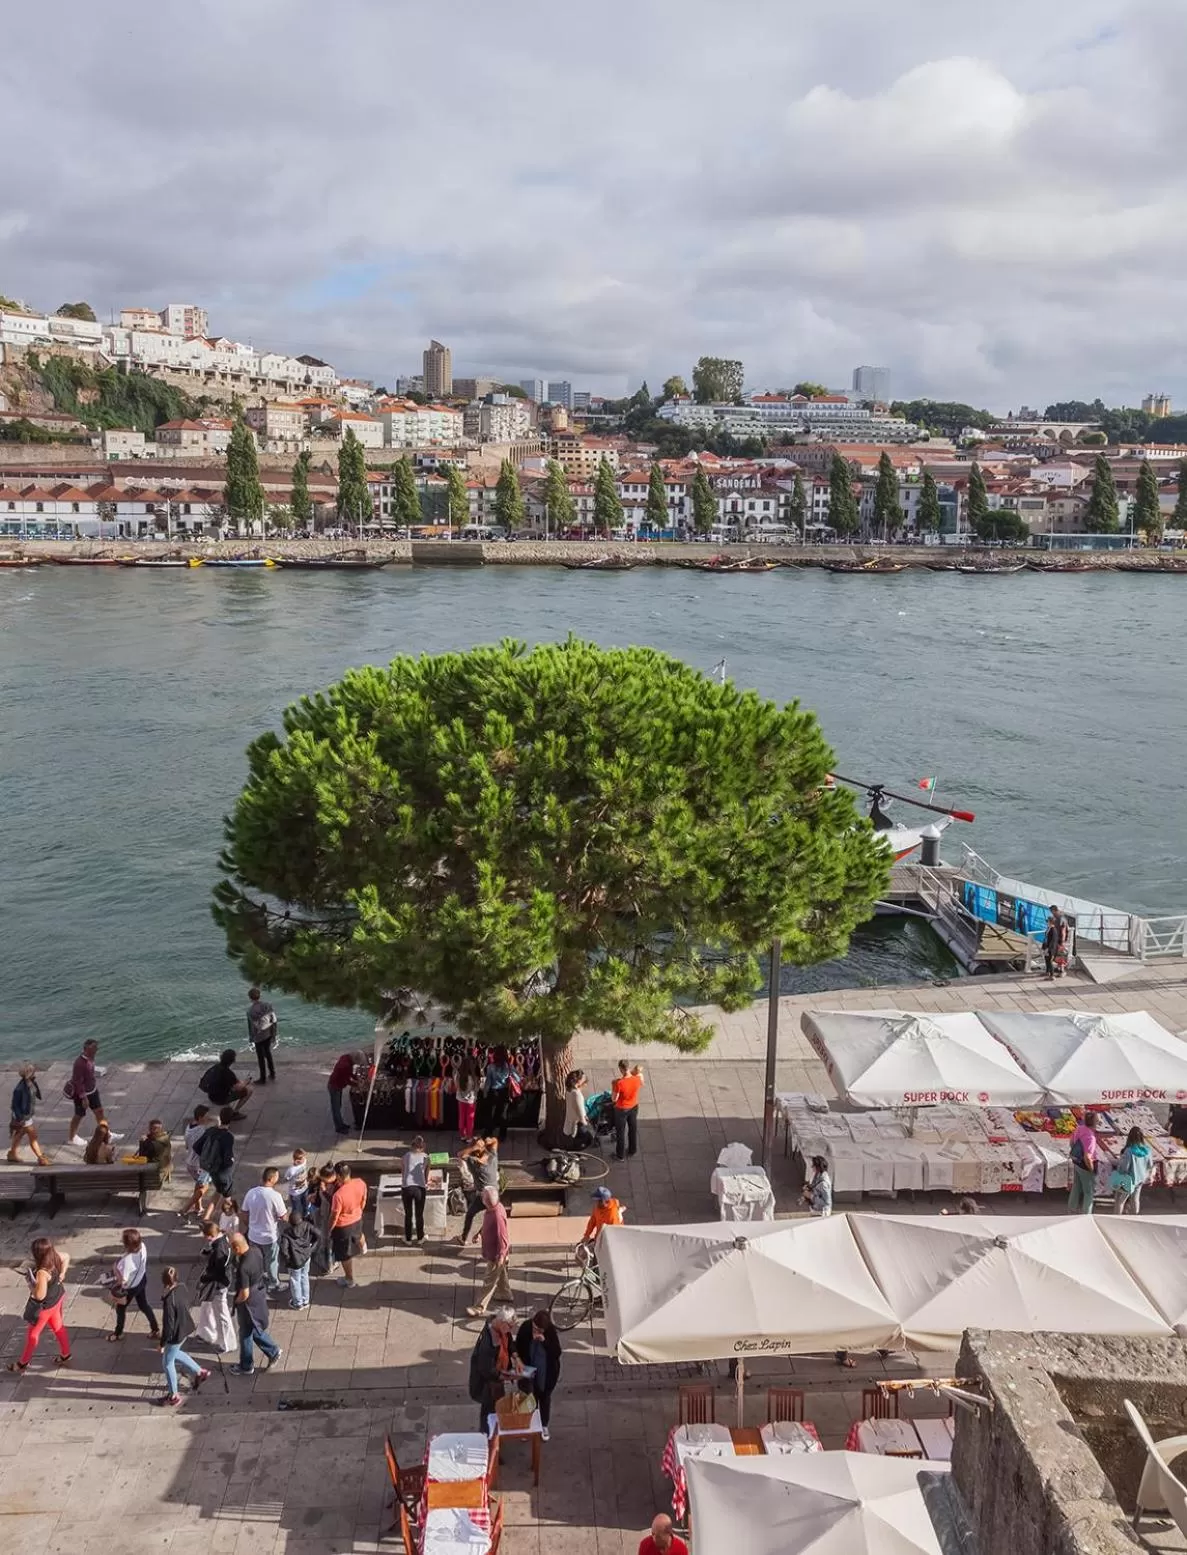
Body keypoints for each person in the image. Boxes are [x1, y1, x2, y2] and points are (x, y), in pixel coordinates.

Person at [8, 1237, 70, 1373]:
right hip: (58, 1297)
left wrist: (31, 1285)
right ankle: (66, 1354)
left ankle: (23, 1362)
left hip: (46, 1307)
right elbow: (67, 1257)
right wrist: (63, 1273)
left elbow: (40, 1295)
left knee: (33, 1334)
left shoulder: (42, 1272)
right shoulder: (55, 1256)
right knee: (58, 1327)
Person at [229, 1231, 282, 1375]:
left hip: (248, 1303)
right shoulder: (255, 1251)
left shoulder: (243, 1267)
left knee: (246, 1331)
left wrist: (236, 1302)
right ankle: (269, 1352)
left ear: (236, 1248)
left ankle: (248, 1364)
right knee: (251, 1329)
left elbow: (244, 1293)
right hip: (259, 1292)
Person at [157, 1265, 210, 1406]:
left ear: (164, 1282)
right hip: (186, 1328)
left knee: (167, 1363)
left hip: (175, 1335)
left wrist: (162, 1343)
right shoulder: (182, 1287)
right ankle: (199, 1372)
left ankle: (174, 1395)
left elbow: (168, 1326)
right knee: (175, 1354)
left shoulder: (169, 1300)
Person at [514, 1308, 562, 1441]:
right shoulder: (526, 1327)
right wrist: (518, 1361)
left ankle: (543, 1425)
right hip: (528, 1371)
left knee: (544, 1399)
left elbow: (556, 1352)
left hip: (546, 1374)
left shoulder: (550, 1333)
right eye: (535, 1328)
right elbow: (517, 1346)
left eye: (540, 1330)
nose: (536, 1332)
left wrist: (544, 1341)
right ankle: (527, 1425)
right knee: (528, 1399)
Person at [468, 1308, 518, 1434]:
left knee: (495, 1407)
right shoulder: (487, 1343)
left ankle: (493, 1434)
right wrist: (507, 1376)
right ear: (502, 1323)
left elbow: (509, 1341)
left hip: (496, 1380)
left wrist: (516, 1358)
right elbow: (487, 1370)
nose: (510, 1330)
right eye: (509, 1327)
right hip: (488, 1384)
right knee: (489, 1410)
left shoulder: (501, 1329)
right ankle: (487, 1437)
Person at [467, 1185, 512, 1316]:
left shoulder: (497, 1216)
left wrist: (501, 1256)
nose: (481, 1198)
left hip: (496, 1255)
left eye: (482, 1197)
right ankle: (505, 1293)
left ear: (486, 1201)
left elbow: (503, 1238)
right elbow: (488, 1225)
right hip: (496, 1253)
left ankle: (479, 1307)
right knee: (501, 1273)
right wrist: (480, 1233)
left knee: (489, 1281)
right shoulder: (494, 1208)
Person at [194, 1219, 237, 1353]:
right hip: (222, 1281)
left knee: (221, 1314)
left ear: (209, 1235)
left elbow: (218, 1271)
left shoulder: (219, 1249)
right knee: (207, 1306)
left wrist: (203, 1278)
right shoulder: (223, 1240)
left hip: (217, 1285)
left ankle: (227, 1343)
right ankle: (205, 1333)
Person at [242, 1167, 288, 1293]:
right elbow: (283, 1216)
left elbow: (244, 1212)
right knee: (272, 1260)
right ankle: (274, 1283)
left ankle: (258, 1280)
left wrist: (249, 1225)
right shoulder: (275, 1196)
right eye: (277, 1177)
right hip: (269, 1236)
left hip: (253, 1235)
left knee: (257, 1259)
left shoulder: (251, 1193)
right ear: (272, 1179)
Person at [109, 1227, 159, 1342]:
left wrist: (116, 1270)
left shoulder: (127, 1261)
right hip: (141, 1280)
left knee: (120, 1309)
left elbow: (123, 1281)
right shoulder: (143, 1246)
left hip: (130, 1288)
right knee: (144, 1305)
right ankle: (155, 1329)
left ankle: (118, 1333)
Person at [328, 1161, 367, 1288]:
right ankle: (363, 1249)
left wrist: (329, 1229)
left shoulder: (338, 1195)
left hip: (343, 1226)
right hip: (357, 1217)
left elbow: (334, 1216)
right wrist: (359, 1210)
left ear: (339, 1176)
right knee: (359, 1234)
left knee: (345, 1254)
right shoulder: (360, 1182)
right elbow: (364, 1199)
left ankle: (349, 1279)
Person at [458, 1137, 500, 1243]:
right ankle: (480, 1234)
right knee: (492, 1215)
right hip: (495, 1194)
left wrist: (473, 1147)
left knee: (470, 1214)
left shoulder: (474, 1163)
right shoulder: (493, 1157)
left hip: (483, 1196)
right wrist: (490, 1141)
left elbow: (460, 1155)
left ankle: (464, 1237)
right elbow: (495, 1141)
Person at [279, 1206, 320, 1310]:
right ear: (301, 1219)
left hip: (294, 1261)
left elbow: (284, 1250)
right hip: (306, 1256)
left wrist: (288, 1259)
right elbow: (319, 1235)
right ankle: (306, 1300)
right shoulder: (307, 1226)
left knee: (295, 1280)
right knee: (304, 1276)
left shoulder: (286, 1233)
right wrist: (311, 1249)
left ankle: (298, 1303)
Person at [9, 1064, 49, 1166]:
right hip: (23, 1117)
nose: (35, 1073)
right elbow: (14, 1105)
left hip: (27, 1115)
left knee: (19, 1134)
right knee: (33, 1136)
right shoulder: (19, 1089)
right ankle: (41, 1158)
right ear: (29, 1074)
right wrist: (20, 1118)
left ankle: (12, 1153)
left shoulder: (31, 1082)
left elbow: (34, 1093)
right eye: (33, 1072)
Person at [198, 1106, 238, 1209]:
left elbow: (196, 1146)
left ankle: (206, 1217)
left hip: (211, 1168)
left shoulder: (211, 1130)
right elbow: (227, 1158)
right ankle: (230, 1216)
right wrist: (231, 1162)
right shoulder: (228, 1137)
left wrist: (206, 1157)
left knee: (219, 1191)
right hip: (222, 1172)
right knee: (227, 1196)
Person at [66, 1039, 105, 1143]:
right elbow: (77, 1081)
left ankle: (107, 1134)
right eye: (94, 1048)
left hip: (92, 1090)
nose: (97, 1049)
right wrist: (84, 1097)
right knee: (79, 1115)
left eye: (97, 1047)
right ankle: (72, 1138)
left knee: (99, 1111)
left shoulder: (91, 1058)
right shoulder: (79, 1063)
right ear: (87, 1049)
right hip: (82, 1094)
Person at [1112, 1125, 1153, 1215]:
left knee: (1120, 1200)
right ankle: (1135, 1217)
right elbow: (1150, 1165)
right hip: (1141, 1178)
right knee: (1135, 1199)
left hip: (1129, 1179)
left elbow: (1124, 1167)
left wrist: (1118, 1170)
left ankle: (1117, 1218)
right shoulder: (1148, 1150)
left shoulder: (1129, 1151)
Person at [199, 1050, 251, 1118]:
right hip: (221, 1099)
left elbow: (234, 1080)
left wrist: (239, 1082)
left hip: (211, 1096)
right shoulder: (228, 1073)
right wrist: (246, 1082)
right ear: (232, 1060)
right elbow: (239, 1088)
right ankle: (235, 1113)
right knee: (249, 1090)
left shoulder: (215, 1067)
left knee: (231, 1086)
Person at [181, 1105, 213, 1219]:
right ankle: (184, 1209)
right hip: (199, 1165)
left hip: (189, 1162)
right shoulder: (202, 1131)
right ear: (200, 1117)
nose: (208, 1119)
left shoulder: (188, 1128)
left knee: (199, 1185)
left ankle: (198, 1207)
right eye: (206, 1117)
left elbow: (186, 1146)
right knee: (204, 1187)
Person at [611, 1060, 644, 1161]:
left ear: (620, 1069)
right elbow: (641, 1080)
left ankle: (620, 1155)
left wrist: (613, 1086)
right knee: (632, 1129)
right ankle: (632, 1150)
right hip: (634, 1107)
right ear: (628, 1067)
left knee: (620, 1132)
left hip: (622, 1110)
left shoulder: (619, 1083)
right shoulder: (637, 1079)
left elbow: (614, 1099)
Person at [1069, 1110, 1100, 1214]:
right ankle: (1086, 1214)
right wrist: (1091, 1170)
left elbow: (1071, 1141)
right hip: (1085, 1165)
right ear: (1094, 1123)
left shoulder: (1080, 1128)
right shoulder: (1090, 1137)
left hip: (1076, 1162)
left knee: (1076, 1186)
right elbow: (1087, 1157)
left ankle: (1071, 1209)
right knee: (1088, 1192)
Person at [482, 1046, 515, 1143]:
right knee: (503, 1114)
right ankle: (502, 1135)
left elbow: (488, 1082)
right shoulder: (509, 1067)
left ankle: (488, 1133)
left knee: (491, 1114)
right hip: (505, 1092)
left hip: (494, 1092)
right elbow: (518, 1078)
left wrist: (485, 1093)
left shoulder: (490, 1067)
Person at [310, 1165, 338, 1277]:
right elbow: (319, 1200)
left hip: (331, 1218)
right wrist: (314, 1199)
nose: (322, 1182)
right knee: (324, 1239)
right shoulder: (323, 1183)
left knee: (329, 1242)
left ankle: (330, 1265)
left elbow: (334, 1203)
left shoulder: (337, 1186)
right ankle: (326, 1261)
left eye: (324, 1179)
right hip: (324, 1215)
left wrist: (324, 1192)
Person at [401, 1134, 429, 1244]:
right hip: (419, 1188)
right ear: (422, 1147)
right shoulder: (426, 1157)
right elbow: (426, 1174)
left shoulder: (406, 1156)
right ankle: (420, 1237)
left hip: (407, 1187)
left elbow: (403, 1172)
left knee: (408, 1214)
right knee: (419, 1214)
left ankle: (408, 1238)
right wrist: (425, 1182)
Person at [246, 987, 278, 1083]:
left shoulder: (250, 1011)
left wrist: (252, 1038)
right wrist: (274, 1033)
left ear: (250, 998)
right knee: (268, 1053)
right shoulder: (267, 1005)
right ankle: (272, 1073)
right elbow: (273, 1019)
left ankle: (262, 1078)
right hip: (268, 1032)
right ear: (259, 996)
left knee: (260, 1057)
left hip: (259, 1036)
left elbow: (251, 1027)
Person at [327, 1051, 363, 1136]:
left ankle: (341, 1124)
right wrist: (357, 1084)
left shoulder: (346, 1058)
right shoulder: (345, 1065)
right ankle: (339, 1127)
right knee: (336, 1108)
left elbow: (348, 1073)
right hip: (335, 1086)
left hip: (336, 1085)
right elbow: (346, 1080)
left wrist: (355, 1077)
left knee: (338, 1106)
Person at [563, 1071, 596, 1150]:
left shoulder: (569, 1090)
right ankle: (576, 1156)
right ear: (578, 1083)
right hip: (577, 1123)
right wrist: (587, 1124)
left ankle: (576, 1155)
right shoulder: (577, 1094)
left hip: (570, 1120)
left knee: (575, 1141)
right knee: (586, 1140)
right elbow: (580, 1112)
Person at [137, 1119, 173, 1183]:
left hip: (156, 1171)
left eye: (154, 1128)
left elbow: (142, 1157)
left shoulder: (155, 1144)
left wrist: (142, 1142)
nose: (154, 1130)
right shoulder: (165, 1138)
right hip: (164, 1167)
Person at [1043, 906, 1069, 980]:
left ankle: (1061, 971)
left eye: (1052, 911)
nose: (1052, 913)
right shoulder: (1058, 918)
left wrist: (1062, 942)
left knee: (1060, 956)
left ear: (1055, 910)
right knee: (1056, 956)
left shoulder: (1061, 918)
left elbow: (1063, 931)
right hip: (1056, 939)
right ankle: (1056, 970)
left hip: (1060, 940)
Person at [456, 1060, 479, 1143]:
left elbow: (457, 1086)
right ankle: (469, 1136)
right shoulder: (474, 1077)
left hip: (461, 1099)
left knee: (461, 1117)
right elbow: (476, 1089)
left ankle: (462, 1135)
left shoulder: (458, 1075)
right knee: (470, 1119)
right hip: (471, 1100)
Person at [284, 1148, 310, 1219]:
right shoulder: (291, 1170)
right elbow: (286, 1177)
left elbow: (286, 1178)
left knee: (304, 1203)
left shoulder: (303, 1162)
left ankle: (305, 1214)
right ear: (297, 1160)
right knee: (296, 1207)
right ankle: (296, 1218)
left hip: (303, 1188)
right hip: (295, 1192)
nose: (305, 1159)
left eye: (305, 1158)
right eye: (303, 1158)